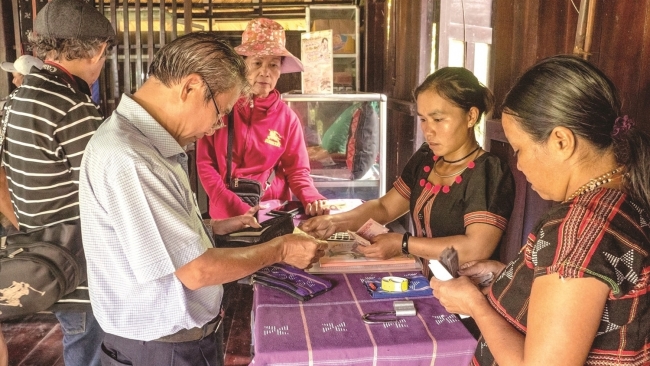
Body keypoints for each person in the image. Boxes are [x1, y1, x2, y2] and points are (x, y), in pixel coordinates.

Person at [78, 32, 326, 366]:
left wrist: (213, 226)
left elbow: (148, 238)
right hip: (161, 350)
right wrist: (281, 249)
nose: (215, 127)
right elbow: (195, 271)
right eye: (220, 112)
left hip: (166, 343)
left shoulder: (145, 144)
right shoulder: (133, 158)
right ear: (191, 87)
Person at [430, 55, 650, 365]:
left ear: (561, 141)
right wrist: (505, 276)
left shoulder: (578, 229)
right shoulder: (619, 197)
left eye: (519, 149)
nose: (518, 166)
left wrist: (475, 304)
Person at [301, 67, 515, 265]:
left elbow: (476, 248)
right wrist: (334, 221)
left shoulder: (487, 172)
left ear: (471, 116)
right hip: (426, 281)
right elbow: (385, 207)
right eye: (423, 119)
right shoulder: (426, 160)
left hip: (466, 296)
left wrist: (403, 244)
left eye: (438, 119)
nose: (428, 130)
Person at [0, 0, 114, 365]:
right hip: (82, 268)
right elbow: (105, 189)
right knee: (91, 351)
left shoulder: (15, 100)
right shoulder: (71, 105)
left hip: (44, 254)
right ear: (98, 49)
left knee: (77, 341)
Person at [196, 18, 328, 219]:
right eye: (257, 63)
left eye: (273, 65)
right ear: (242, 66)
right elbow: (205, 165)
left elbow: (297, 171)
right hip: (226, 215)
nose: (265, 72)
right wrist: (234, 206)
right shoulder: (221, 108)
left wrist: (312, 198)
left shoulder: (287, 119)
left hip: (271, 213)